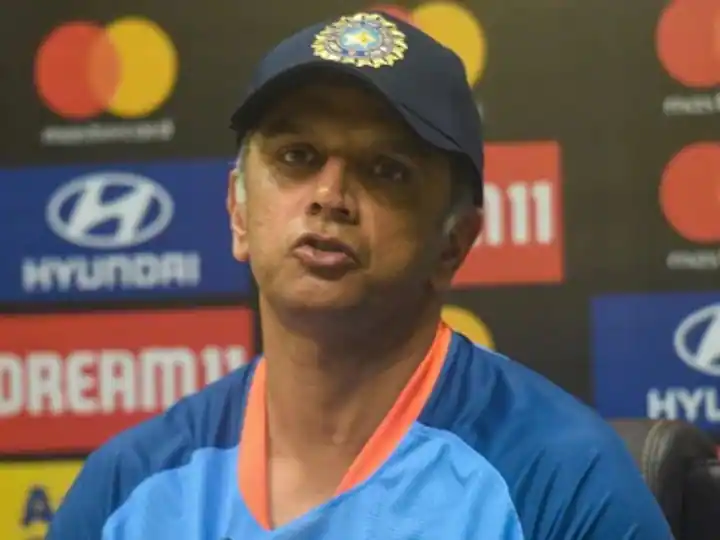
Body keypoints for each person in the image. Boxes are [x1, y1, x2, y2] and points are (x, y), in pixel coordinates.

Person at [48, 11, 672, 539]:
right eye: (297, 156)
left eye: (386, 169)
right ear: (238, 212)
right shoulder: (128, 489)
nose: (330, 196)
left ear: (454, 244)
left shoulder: (562, 482)